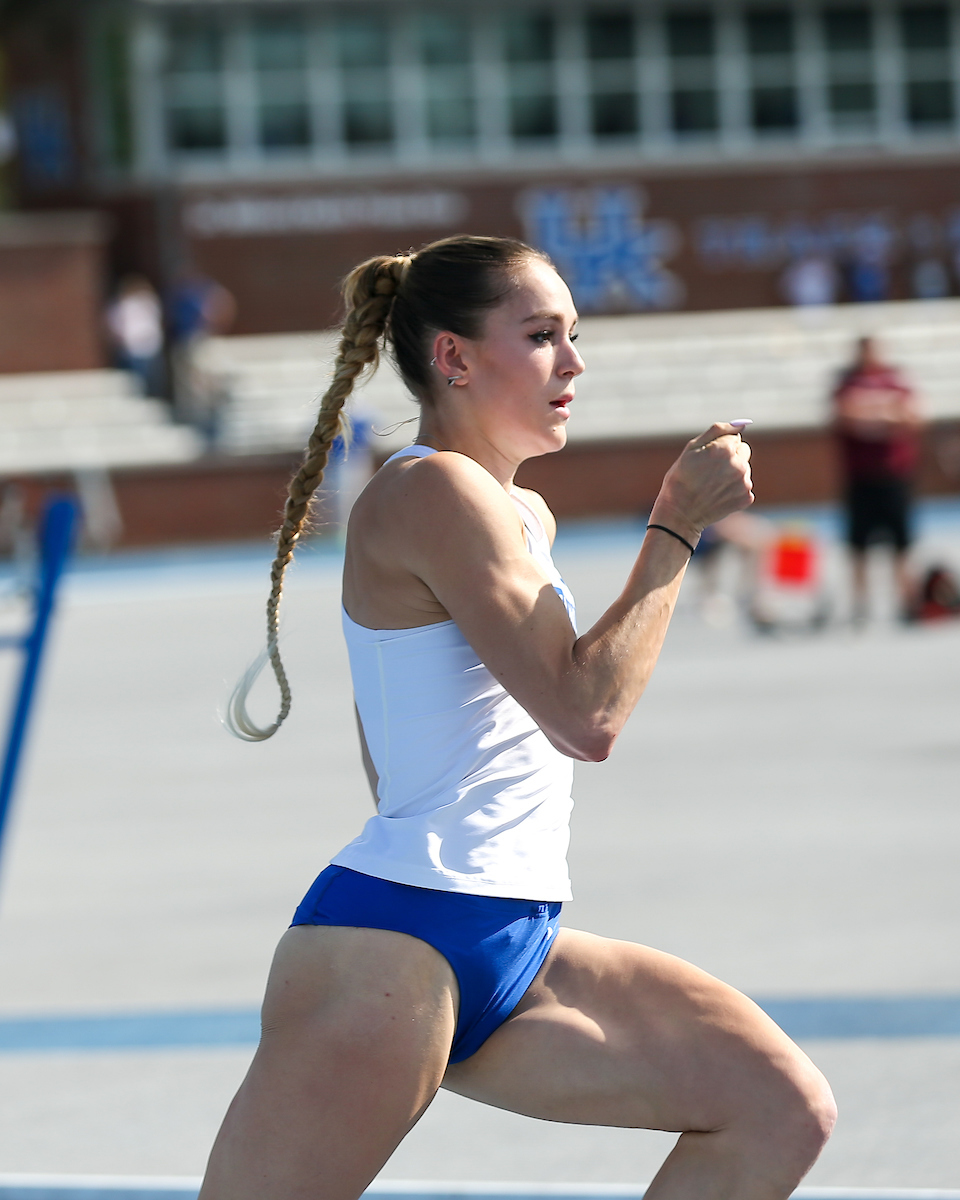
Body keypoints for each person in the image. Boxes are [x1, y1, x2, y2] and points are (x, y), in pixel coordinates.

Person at [204, 236, 836, 1200]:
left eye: (574, 335)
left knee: (780, 1107)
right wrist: (675, 526)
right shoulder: (430, 488)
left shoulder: (518, 512)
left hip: (515, 936)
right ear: (454, 358)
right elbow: (588, 717)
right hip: (398, 944)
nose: (574, 362)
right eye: (543, 337)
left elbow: (398, 749)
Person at [832, 335, 924, 621]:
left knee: (902, 544)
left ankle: (907, 602)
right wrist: (886, 414)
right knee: (858, 546)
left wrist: (870, 414)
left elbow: (913, 416)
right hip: (861, 476)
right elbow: (847, 417)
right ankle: (861, 605)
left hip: (894, 474)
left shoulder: (896, 379)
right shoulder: (847, 382)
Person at [104, 274, 165, 397]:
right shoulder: (122, 305)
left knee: (153, 380)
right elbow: (114, 325)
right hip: (132, 348)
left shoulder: (149, 303)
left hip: (150, 346)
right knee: (134, 382)